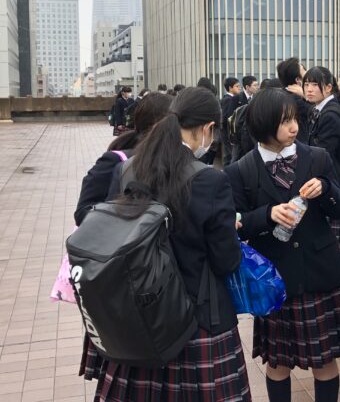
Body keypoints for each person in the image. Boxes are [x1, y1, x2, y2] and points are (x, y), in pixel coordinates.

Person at [80, 87, 249, 401]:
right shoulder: (211, 180)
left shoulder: (127, 169)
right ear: (208, 128)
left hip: (139, 319)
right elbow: (227, 261)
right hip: (196, 320)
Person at [226, 88, 340, 402]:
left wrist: (325, 188)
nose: (294, 127)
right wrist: (267, 216)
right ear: (263, 124)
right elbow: (236, 225)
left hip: (319, 275)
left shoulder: (317, 157)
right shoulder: (241, 170)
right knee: (278, 364)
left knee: (325, 361)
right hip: (275, 282)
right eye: (284, 122)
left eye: (294, 119)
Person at [74, 92, 173, 226]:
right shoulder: (115, 160)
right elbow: (82, 212)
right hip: (120, 242)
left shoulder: (170, 158)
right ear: (157, 124)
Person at [277, 57, 312, 142]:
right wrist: (306, 97)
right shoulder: (297, 100)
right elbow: (318, 114)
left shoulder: (281, 95)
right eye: (304, 71)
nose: (308, 73)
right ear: (298, 80)